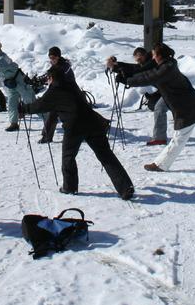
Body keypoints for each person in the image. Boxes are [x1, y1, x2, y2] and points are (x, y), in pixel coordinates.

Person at [117, 43, 195, 172]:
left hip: (185, 109)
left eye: (154, 55)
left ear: (160, 56)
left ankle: (160, 165)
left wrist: (128, 81)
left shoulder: (166, 69)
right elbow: (143, 69)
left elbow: (149, 77)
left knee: (179, 138)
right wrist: (120, 68)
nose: (153, 57)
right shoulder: (167, 64)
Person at [25, 65, 134, 199]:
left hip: (74, 127)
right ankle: (125, 187)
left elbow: (39, 105)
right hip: (93, 122)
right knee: (106, 155)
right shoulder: (72, 85)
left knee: (68, 156)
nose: (47, 80)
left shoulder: (54, 91)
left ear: (52, 78)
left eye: (48, 78)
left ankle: (69, 187)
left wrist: (24, 109)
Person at [107, 46, 170, 146]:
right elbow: (136, 68)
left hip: (174, 91)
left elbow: (142, 74)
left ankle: (160, 138)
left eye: (140, 57)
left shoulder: (155, 64)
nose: (138, 59)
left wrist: (126, 79)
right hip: (169, 91)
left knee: (160, 108)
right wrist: (117, 66)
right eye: (136, 57)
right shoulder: (154, 62)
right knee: (156, 106)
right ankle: (160, 138)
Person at [0, 41, 41, 132]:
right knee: (11, 104)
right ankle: (14, 123)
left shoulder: (2, 58)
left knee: (31, 102)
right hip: (10, 83)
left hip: (19, 82)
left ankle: (48, 120)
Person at [38, 46, 79, 144]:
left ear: (58, 56)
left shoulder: (65, 66)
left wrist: (50, 78)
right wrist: (38, 81)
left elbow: (57, 76)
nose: (52, 60)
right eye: (50, 58)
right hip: (61, 96)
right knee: (53, 114)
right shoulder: (56, 66)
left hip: (71, 95)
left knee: (76, 116)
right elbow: (49, 76)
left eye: (53, 57)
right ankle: (46, 136)